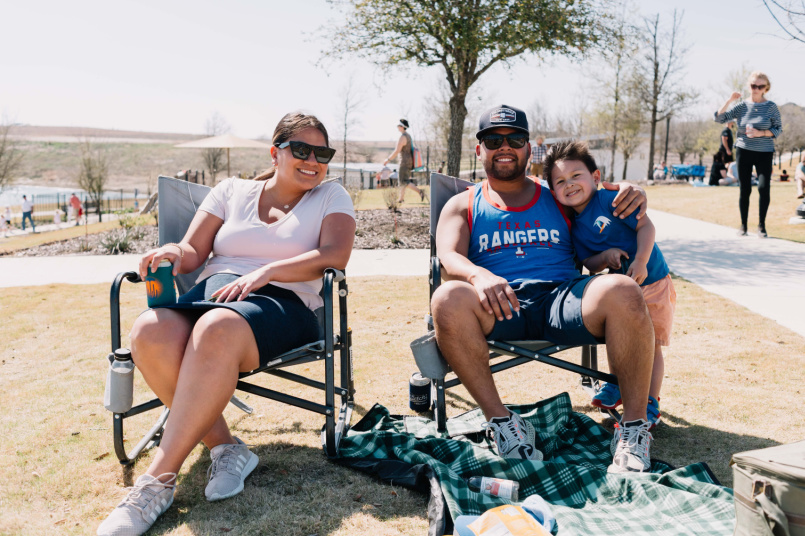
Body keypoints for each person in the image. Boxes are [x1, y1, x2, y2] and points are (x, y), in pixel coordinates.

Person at [97, 112, 356, 536]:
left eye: (322, 153)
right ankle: (226, 447)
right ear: (276, 153)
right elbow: (194, 251)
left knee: (215, 327)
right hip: (215, 292)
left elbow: (334, 255)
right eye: (301, 150)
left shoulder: (331, 196)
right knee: (149, 330)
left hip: (286, 302)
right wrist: (170, 251)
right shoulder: (231, 190)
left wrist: (268, 271)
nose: (313, 160)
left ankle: (156, 484)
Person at [431, 104, 655, 475]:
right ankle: (504, 424)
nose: (505, 146)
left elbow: (600, 191)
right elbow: (448, 257)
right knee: (446, 298)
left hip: (562, 299)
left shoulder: (557, 195)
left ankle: (632, 429)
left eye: (515, 139)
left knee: (623, 289)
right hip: (498, 303)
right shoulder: (462, 203)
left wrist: (634, 189)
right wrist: (478, 276)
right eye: (493, 140)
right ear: (479, 150)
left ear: (528, 148)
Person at [545, 140, 675, 433]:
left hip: (651, 281)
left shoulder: (610, 200)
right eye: (560, 181)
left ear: (595, 177)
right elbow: (589, 262)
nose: (569, 184)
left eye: (576, 176)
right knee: (621, 337)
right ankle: (617, 385)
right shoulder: (573, 225)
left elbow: (646, 226)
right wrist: (605, 256)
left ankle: (650, 401)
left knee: (649, 345)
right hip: (621, 290)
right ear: (554, 191)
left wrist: (640, 260)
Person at [715, 71, 783, 237]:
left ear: (765, 88)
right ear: (749, 86)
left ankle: (761, 226)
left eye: (760, 86)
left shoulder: (771, 107)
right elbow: (719, 118)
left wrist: (761, 133)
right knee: (744, 189)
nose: (756, 89)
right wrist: (730, 100)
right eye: (753, 85)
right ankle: (743, 226)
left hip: (764, 153)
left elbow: (778, 129)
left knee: (763, 187)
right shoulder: (742, 106)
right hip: (744, 151)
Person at [383, 119, 425, 203]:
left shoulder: (403, 137)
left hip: (404, 162)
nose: (397, 127)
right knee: (402, 181)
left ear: (402, 127)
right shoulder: (408, 136)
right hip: (409, 161)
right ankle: (401, 199)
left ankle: (420, 191)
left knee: (404, 181)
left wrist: (388, 160)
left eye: (398, 126)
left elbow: (397, 150)